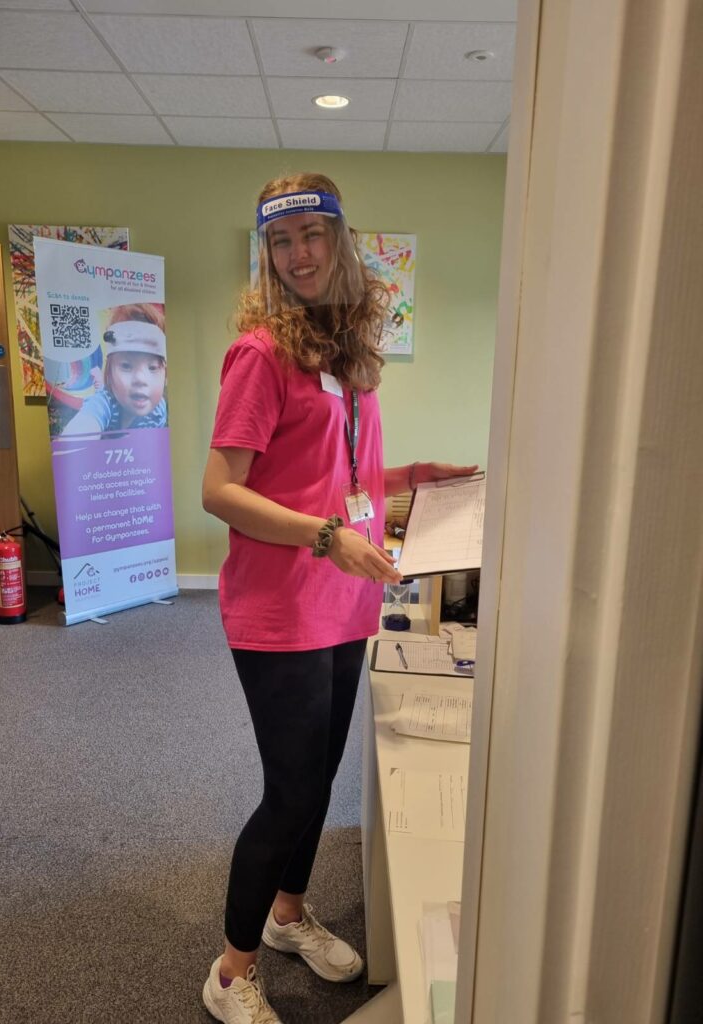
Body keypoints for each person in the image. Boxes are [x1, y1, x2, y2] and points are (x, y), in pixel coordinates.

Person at [201, 173, 478, 1024]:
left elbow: (337, 478)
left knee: (319, 783)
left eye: (312, 236)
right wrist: (325, 537)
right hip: (280, 606)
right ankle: (230, 970)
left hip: (344, 601)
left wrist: (408, 478)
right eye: (281, 243)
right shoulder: (261, 354)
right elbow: (220, 490)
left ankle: (288, 916)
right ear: (268, 254)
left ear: (341, 240)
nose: (298, 256)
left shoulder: (351, 353)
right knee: (288, 791)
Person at [61, 303, 167, 436]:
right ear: (109, 371)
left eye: (152, 367)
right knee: (102, 391)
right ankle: (101, 383)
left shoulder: (158, 410)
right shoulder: (103, 404)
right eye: (126, 366)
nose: (140, 379)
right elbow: (81, 427)